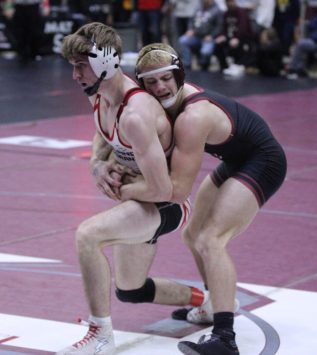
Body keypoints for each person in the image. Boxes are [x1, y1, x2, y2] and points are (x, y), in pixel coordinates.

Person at [57, 22, 222, 355]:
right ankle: (206, 302)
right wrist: (98, 166)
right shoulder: (100, 94)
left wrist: (122, 188)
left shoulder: (136, 113)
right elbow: (103, 137)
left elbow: (163, 189)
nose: (74, 75)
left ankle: (100, 334)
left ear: (104, 62)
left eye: (80, 66)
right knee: (130, 289)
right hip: (143, 201)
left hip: (166, 203)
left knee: (88, 235)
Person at [121, 43, 287, 355]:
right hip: (237, 159)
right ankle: (214, 306)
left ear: (178, 75)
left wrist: (126, 189)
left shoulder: (193, 116)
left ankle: (225, 338)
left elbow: (178, 189)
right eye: (151, 82)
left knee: (211, 239)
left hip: (264, 161)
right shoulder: (171, 104)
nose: (160, 87)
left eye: (166, 78)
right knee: (192, 234)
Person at [178, 0, 224, 71]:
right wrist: (190, 29)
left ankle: (204, 67)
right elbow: (191, 20)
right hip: (196, 36)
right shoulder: (199, 7)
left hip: (208, 37)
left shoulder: (217, 10)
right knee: (183, 40)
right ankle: (187, 63)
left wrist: (212, 36)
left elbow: (219, 26)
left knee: (205, 51)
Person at [214, 0, 255, 75]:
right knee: (218, 45)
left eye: (231, 1)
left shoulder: (241, 12)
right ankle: (224, 67)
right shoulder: (226, 14)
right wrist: (223, 36)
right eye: (228, 2)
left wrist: (237, 38)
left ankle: (238, 66)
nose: (230, 3)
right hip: (231, 37)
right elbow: (225, 29)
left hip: (244, 38)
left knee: (237, 44)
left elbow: (243, 28)